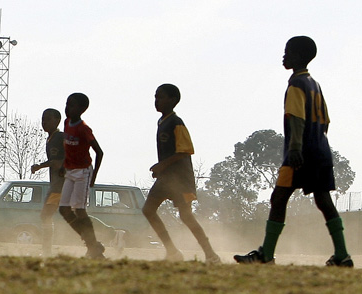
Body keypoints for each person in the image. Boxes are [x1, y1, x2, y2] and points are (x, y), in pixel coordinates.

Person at [235, 36, 352, 267]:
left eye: (287, 52)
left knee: (278, 198)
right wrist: (316, 142)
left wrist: (296, 147)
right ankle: (342, 255)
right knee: (324, 201)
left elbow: (296, 118)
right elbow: (326, 122)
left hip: (300, 153)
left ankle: (266, 255)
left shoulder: (296, 84)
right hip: (321, 151)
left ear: (298, 56)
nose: (284, 56)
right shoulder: (315, 85)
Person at [144, 84, 220, 263]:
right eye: (155, 96)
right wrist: (161, 170)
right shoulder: (161, 122)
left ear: (173, 100)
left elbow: (185, 151)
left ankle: (211, 255)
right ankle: (172, 251)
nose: (157, 100)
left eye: (161, 97)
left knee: (186, 216)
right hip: (165, 179)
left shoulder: (176, 123)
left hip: (180, 179)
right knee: (148, 210)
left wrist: (162, 166)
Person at [58, 93, 105, 259]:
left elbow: (99, 152)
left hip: (82, 172)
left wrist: (93, 177)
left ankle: (93, 248)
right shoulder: (66, 123)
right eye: (66, 104)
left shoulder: (83, 129)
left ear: (82, 109)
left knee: (79, 210)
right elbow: (69, 148)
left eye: (71, 105)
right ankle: (93, 244)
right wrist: (65, 164)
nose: (67, 108)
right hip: (70, 171)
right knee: (64, 209)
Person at [30, 108, 64, 256]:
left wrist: (39, 166)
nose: (44, 122)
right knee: (74, 214)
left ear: (57, 120)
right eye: (43, 119)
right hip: (59, 183)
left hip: (61, 184)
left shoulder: (59, 138)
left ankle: (47, 251)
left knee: (46, 215)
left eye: (48, 119)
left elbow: (58, 163)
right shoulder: (50, 139)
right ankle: (109, 235)